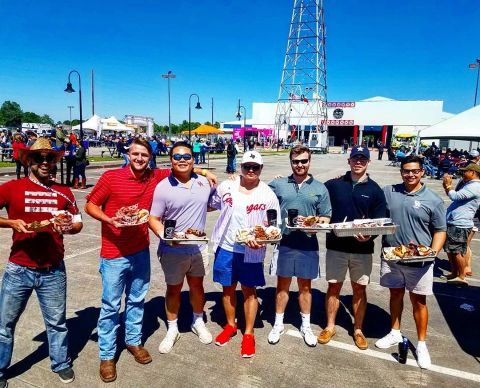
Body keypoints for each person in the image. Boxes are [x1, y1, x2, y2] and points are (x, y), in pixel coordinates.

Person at [85, 138, 216, 383]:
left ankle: (133, 342)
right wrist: (109, 220)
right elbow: (90, 204)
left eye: (144, 155)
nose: (139, 159)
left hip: (140, 250)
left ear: (150, 157)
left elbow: (182, 164)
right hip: (114, 252)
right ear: (128, 154)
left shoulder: (153, 177)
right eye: (135, 154)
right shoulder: (111, 177)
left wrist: (204, 170)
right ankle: (107, 356)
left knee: (136, 300)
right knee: (111, 305)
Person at [0, 138, 83, 386]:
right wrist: (10, 223)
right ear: (29, 161)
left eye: (50, 159)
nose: (46, 163)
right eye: (40, 158)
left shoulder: (64, 191)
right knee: (4, 324)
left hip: (53, 269)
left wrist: (69, 227)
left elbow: (77, 223)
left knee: (57, 323)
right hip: (19, 268)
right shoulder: (12, 188)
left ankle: (60, 363)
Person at [375, 155, 446, 369]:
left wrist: (432, 252)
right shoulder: (390, 192)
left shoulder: (433, 200)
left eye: (415, 171)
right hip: (393, 256)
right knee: (395, 294)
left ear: (422, 172)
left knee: (419, 302)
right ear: (401, 172)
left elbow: (440, 230)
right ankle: (395, 332)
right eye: (406, 171)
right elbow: (369, 192)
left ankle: (422, 345)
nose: (410, 174)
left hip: (419, 260)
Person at [209, 151, 281, 357]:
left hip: (252, 250)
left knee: (250, 291)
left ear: (261, 169)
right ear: (240, 167)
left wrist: (262, 239)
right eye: (247, 166)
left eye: (255, 167)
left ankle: (248, 334)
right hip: (226, 247)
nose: (250, 170)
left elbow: (274, 227)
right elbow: (209, 204)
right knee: (228, 289)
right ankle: (231, 325)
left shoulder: (267, 194)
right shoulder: (226, 186)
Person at [149, 142, 215, 354]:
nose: (182, 160)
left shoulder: (205, 182)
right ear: (171, 161)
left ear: (193, 159)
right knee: (174, 289)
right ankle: (173, 327)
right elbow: (154, 218)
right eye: (177, 157)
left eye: (187, 156)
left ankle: (197, 320)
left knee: (197, 286)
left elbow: (213, 203)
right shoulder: (163, 187)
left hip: (198, 247)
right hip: (172, 249)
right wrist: (165, 236)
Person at [319, 146, 386, 350]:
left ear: (368, 162)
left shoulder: (375, 190)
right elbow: (313, 192)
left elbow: (379, 220)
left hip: (362, 250)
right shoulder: (334, 184)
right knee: (333, 286)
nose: (358, 162)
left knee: (359, 289)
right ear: (349, 161)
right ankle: (330, 326)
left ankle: (358, 329)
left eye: (362, 159)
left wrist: (370, 235)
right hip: (336, 246)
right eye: (355, 158)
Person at [267, 145, 331, 347]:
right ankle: (278, 324)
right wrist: (235, 179)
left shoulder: (320, 188)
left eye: (304, 161)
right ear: (291, 162)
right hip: (285, 241)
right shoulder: (279, 184)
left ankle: (306, 325)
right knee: (282, 285)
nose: (300, 165)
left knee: (305, 287)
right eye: (296, 161)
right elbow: (258, 194)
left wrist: (316, 225)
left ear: (309, 162)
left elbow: (326, 216)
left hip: (307, 243)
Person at [442, 164, 480, 285]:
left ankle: (461, 276)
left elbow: (455, 196)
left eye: (465, 171)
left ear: (473, 172)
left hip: (460, 223)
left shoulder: (475, 186)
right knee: (451, 250)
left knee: (457, 251)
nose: (463, 173)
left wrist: (448, 186)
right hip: (455, 221)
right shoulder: (470, 184)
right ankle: (454, 273)